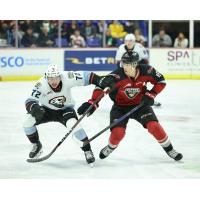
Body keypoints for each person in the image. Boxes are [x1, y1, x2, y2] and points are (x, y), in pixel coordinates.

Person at [77, 52, 183, 162]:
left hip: (140, 105)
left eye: (127, 64)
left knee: (154, 126)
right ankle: (111, 147)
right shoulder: (117, 76)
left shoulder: (147, 70)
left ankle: (170, 150)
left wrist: (151, 94)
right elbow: (100, 86)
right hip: (120, 108)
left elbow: (161, 81)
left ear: (135, 64)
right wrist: (92, 102)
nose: (124, 66)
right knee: (118, 134)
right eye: (123, 63)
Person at [23, 64, 98, 165]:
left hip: (65, 110)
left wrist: (99, 80)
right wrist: (34, 107)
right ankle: (37, 145)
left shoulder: (67, 77)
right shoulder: (40, 84)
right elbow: (30, 100)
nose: (53, 81)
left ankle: (87, 150)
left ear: (60, 76)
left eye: (55, 78)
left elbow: (87, 76)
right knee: (27, 122)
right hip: (46, 110)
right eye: (50, 78)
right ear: (46, 78)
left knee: (74, 125)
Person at [115, 33, 161, 107]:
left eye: (130, 41)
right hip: (126, 69)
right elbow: (118, 62)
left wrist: (144, 72)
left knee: (141, 86)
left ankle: (148, 99)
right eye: (126, 41)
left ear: (134, 41)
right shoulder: (121, 48)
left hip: (138, 69)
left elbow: (145, 60)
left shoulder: (139, 47)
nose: (128, 43)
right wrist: (121, 73)